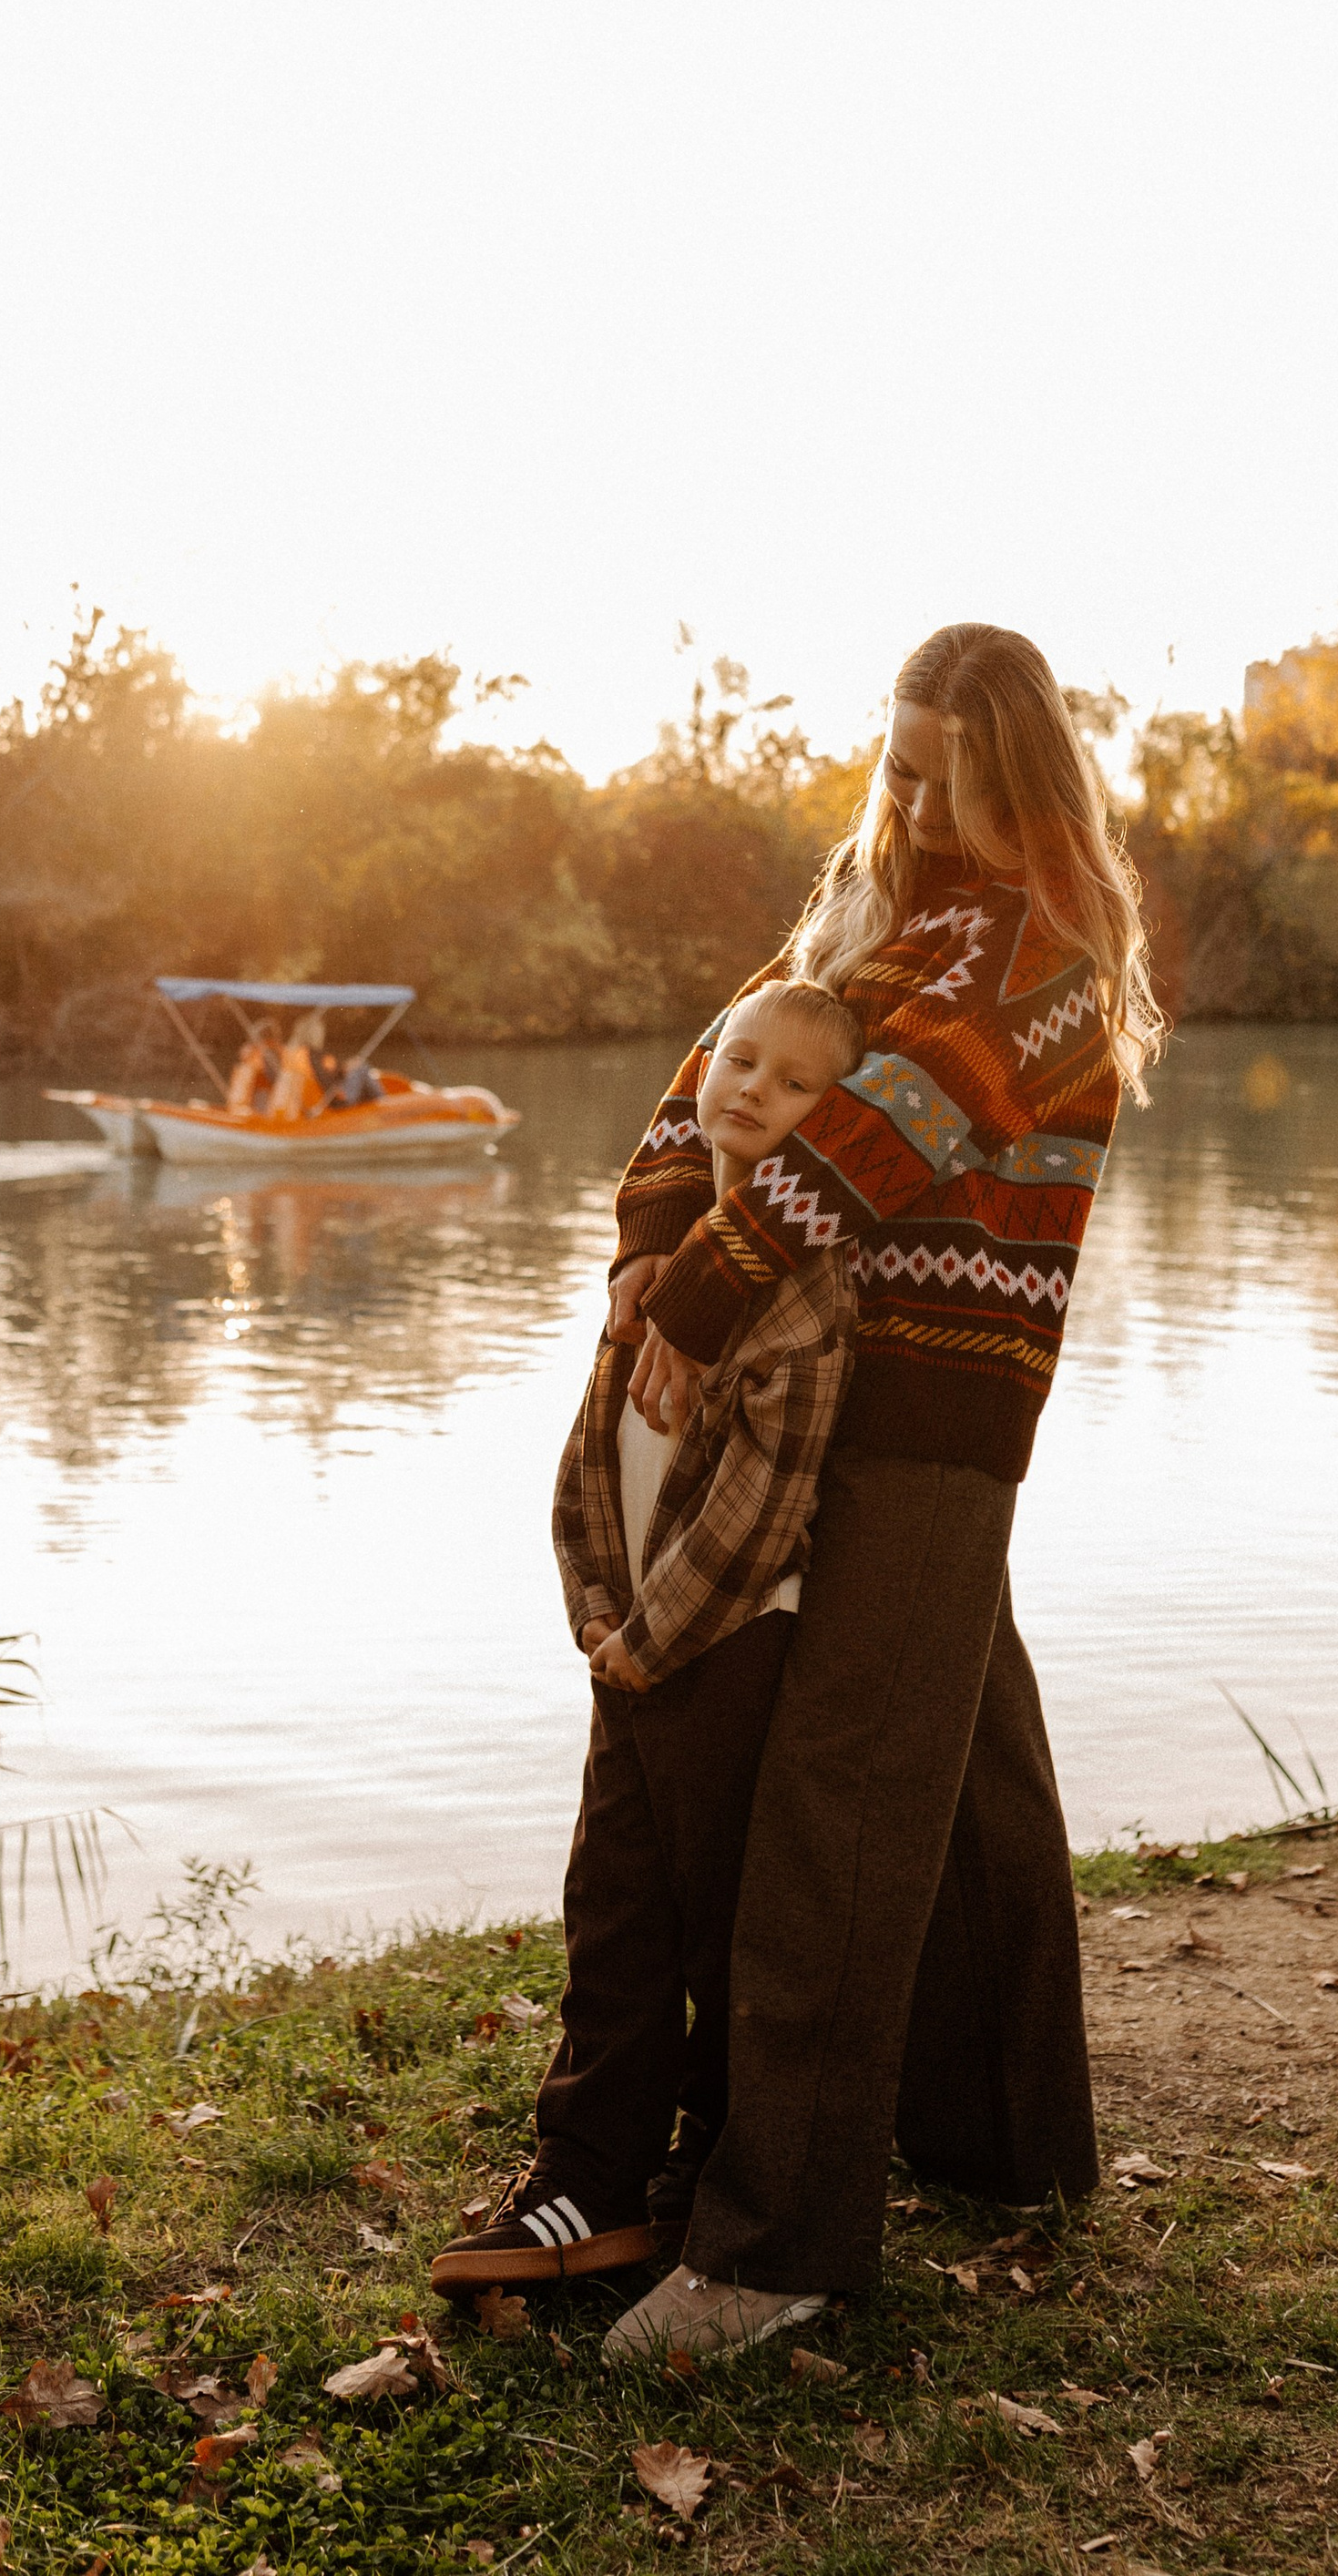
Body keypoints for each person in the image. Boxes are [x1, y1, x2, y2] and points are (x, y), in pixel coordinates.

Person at [598, 620, 1166, 2366]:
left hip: (939, 1401)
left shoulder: (1044, 938)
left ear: (1022, 774)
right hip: (821, 1390)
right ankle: (1009, 2147)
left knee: (844, 1794)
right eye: (900, 765)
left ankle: (778, 2246)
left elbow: (875, 1136)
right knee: (965, 1751)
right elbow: (717, 1079)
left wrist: (699, 1292)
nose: (914, 802)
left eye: (951, 777)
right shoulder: (871, 917)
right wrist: (645, 1247)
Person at [426, 980, 865, 2300]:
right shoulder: (664, 1265)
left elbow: (764, 1510)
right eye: (740, 1061)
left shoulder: (806, 1295)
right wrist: (597, 1610)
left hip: (726, 1653)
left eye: (796, 1085)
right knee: (610, 1910)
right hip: (632, 1648)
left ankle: (696, 2174)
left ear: (838, 1125)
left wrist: (655, 1636)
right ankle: (584, 2180)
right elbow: (589, 1458)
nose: (754, 1091)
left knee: (716, 1923)